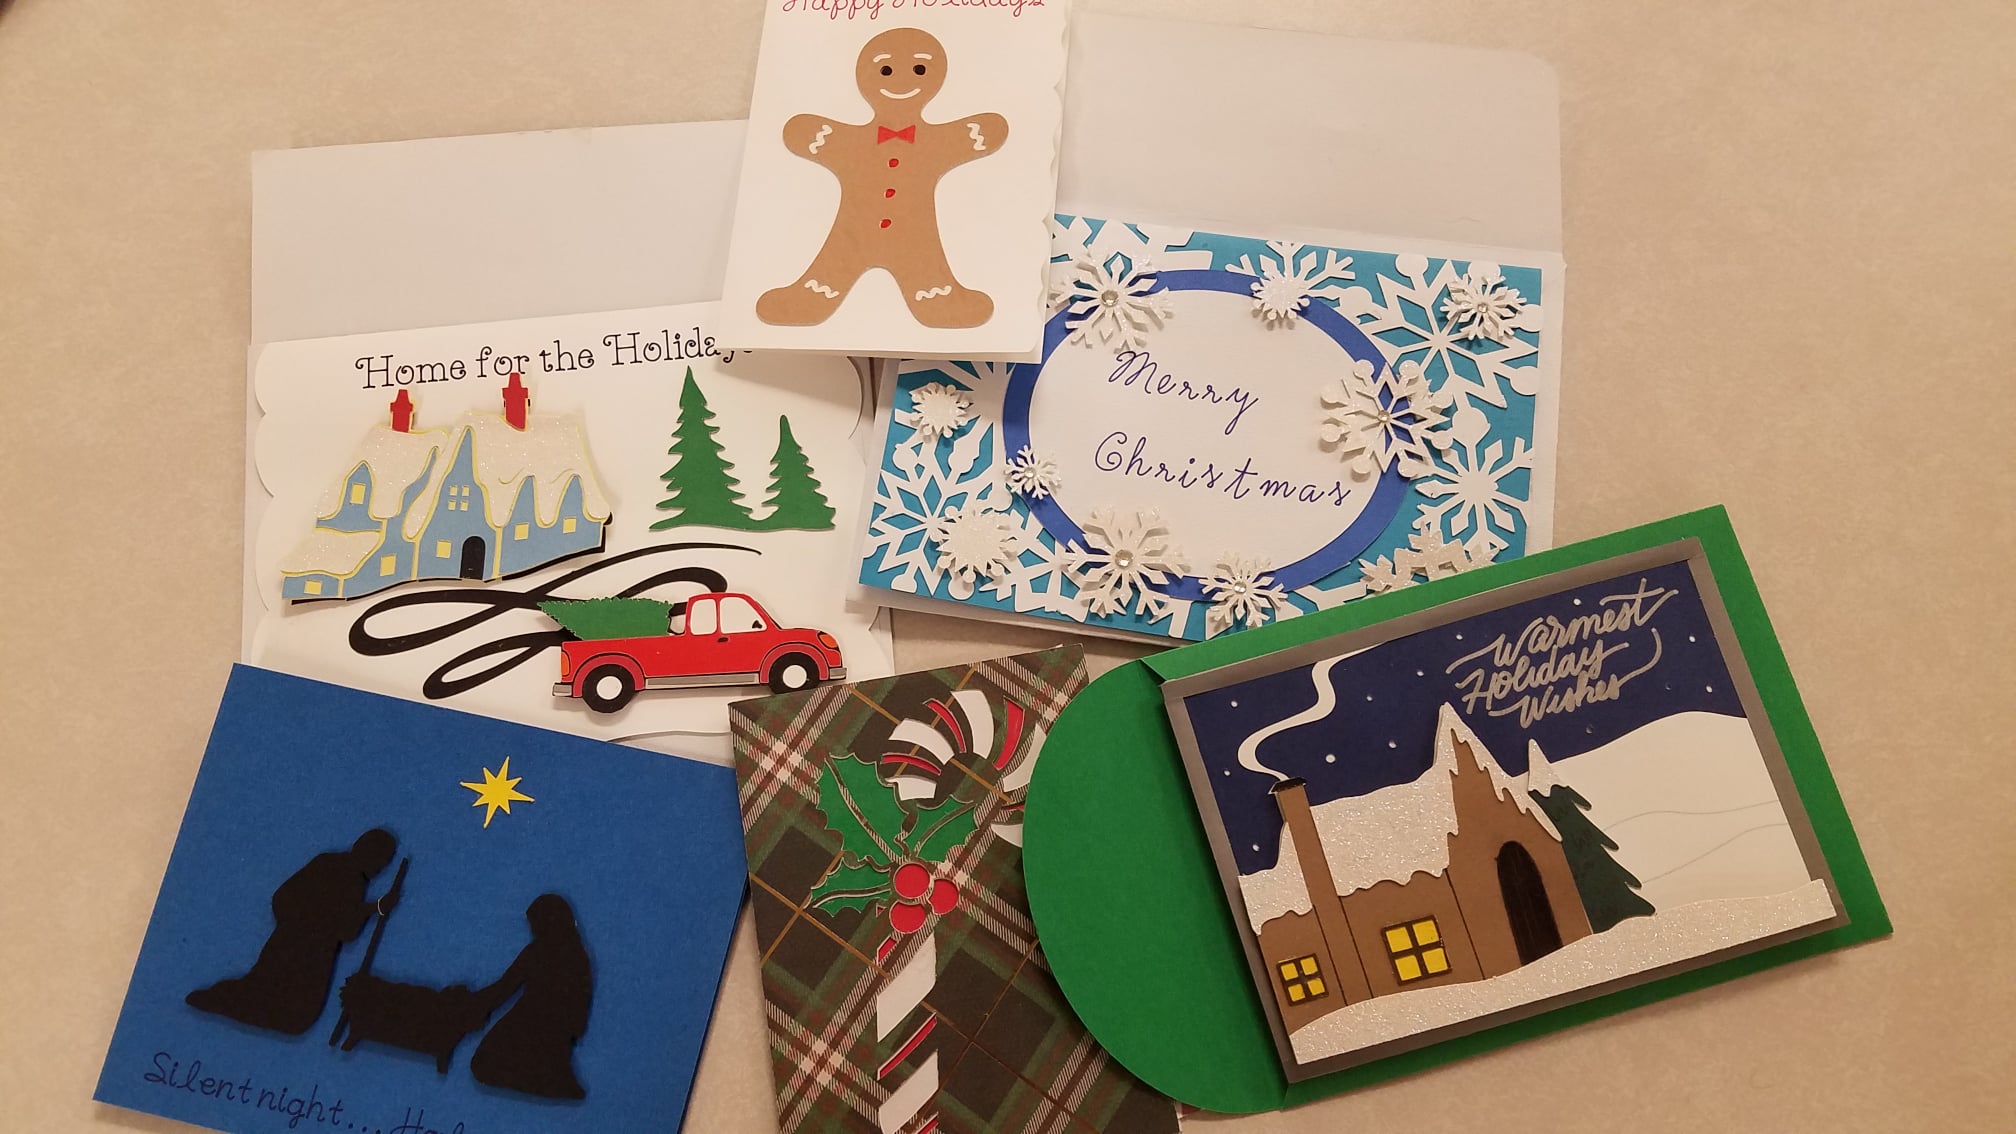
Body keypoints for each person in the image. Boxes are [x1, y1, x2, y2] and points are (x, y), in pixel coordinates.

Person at [186, 828, 401, 1035]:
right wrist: (372, 909)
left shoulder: (353, 880)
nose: (382, 866)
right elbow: (290, 901)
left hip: (314, 958)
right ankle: (219, 998)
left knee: (294, 1017)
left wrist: (374, 908)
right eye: (382, 859)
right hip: (295, 948)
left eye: (387, 861)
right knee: (274, 1001)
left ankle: (222, 998)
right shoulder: (333, 867)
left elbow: (346, 928)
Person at [468, 894, 592, 1099]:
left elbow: (505, 987)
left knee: (487, 1063)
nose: (533, 930)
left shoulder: (542, 952)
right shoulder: (576, 954)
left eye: (535, 923)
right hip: (547, 1025)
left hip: (538, 1023)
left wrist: (476, 1003)